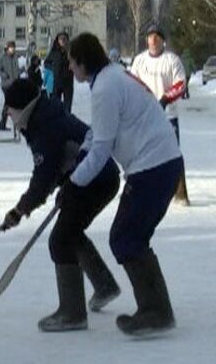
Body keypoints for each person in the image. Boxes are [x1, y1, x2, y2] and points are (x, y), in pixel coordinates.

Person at [66, 32, 183, 336]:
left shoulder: (105, 87)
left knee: (126, 236)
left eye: (71, 62)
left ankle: (156, 312)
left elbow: (103, 148)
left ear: (83, 62)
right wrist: (81, 156)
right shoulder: (113, 77)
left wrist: (73, 183)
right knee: (130, 235)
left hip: (153, 167)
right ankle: (157, 309)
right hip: (160, 163)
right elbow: (101, 132)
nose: (69, 68)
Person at [2, 78, 121, 332]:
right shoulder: (42, 117)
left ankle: (72, 313)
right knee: (71, 231)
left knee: (61, 239)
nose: (7, 114)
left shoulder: (44, 125)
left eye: (10, 108)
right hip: (95, 178)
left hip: (95, 180)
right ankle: (104, 286)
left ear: (23, 107)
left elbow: (43, 177)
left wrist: (20, 209)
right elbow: (55, 167)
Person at [130, 25, 189, 206]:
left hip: (168, 115)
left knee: (172, 153)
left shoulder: (172, 60)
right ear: (146, 40)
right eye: (150, 37)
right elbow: (132, 83)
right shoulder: (139, 61)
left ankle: (180, 193)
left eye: (157, 37)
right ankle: (143, 189)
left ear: (163, 40)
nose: (153, 40)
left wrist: (164, 99)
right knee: (143, 153)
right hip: (145, 116)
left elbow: (180, 84)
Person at [47, 32, 74, 113]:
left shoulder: (71, 51)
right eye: (60, 39)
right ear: (58, 40)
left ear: (67, 40)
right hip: (57, 82)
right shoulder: (54, 51)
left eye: (64, 38)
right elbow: (46, 63)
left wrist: (72, 66)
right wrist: (53, 68)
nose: (62, 40)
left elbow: (78, 62)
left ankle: (67, 122)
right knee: (56, 105)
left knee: (67, 106)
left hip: (68, 82)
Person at [0, 40, 20, 131]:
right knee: (8, 103)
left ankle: (14, 123)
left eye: (13, 48)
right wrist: (4, 75)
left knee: (11, 104)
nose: (12, 50)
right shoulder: (2, 58)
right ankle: (3, 123)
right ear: (7, 48)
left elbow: (16, 69)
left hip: (14, 84)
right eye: (11, 48)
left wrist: (18, 76)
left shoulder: (15, 57)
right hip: (6, 84)